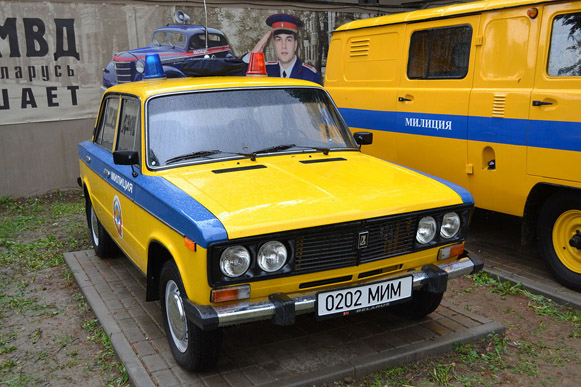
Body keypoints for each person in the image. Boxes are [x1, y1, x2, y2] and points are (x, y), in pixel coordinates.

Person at [251, 14, 322, 85]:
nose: (283, 46)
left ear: (295, 44)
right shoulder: (265, 72)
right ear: (274, 44)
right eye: (279, 40)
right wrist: (253, 55)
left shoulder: (310, 76)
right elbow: (241, 76)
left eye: (288, 40)